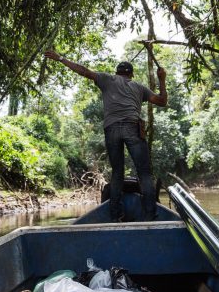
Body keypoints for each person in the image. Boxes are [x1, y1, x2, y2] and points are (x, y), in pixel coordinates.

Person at [43, 50, 167, 221]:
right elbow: (162, 101)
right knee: (144, 173)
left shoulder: (107, 79)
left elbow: (83, 71)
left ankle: (116, 215)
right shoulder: (139, 87)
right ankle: (150, 216)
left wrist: (61, 58)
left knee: (117, 173)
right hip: (132, 127)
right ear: (131, 74)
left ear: (117, 73)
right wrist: (162, 79)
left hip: (112, 129)